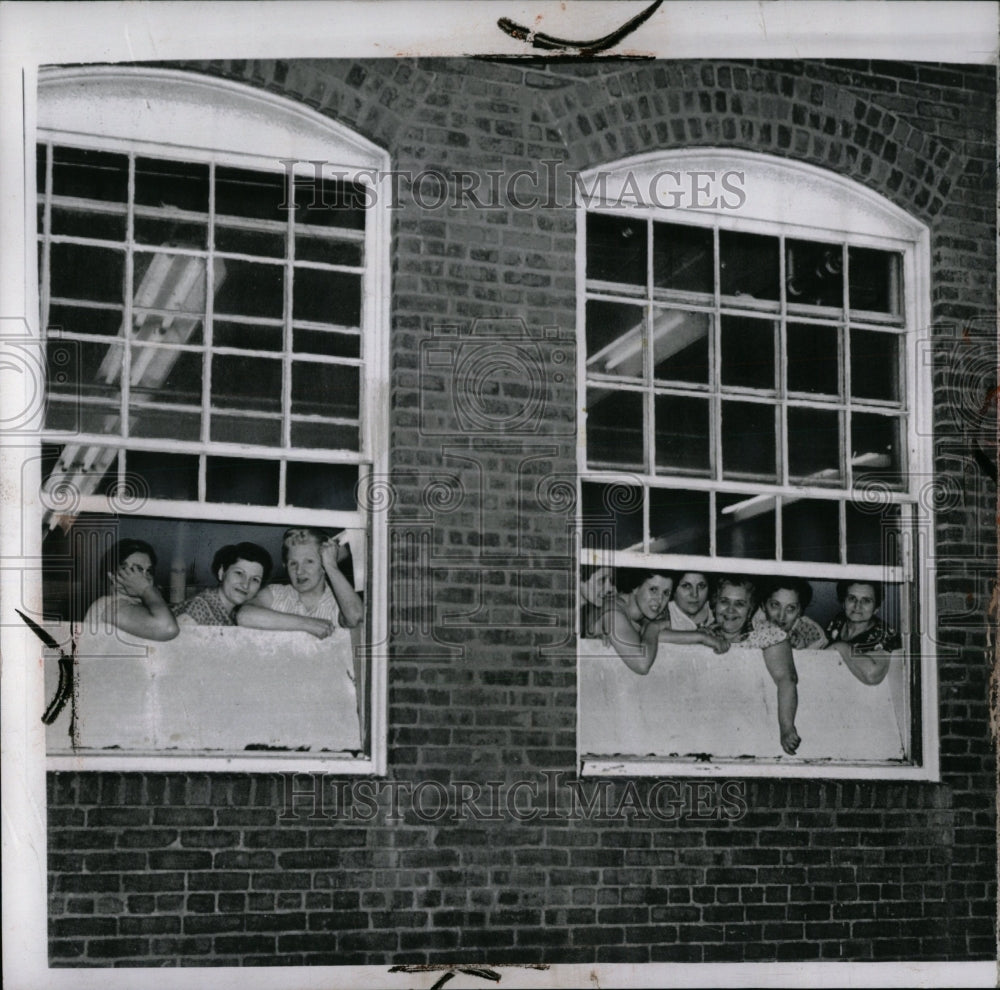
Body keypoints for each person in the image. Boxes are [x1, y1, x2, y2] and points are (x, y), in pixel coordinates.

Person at [705, 574, 801, 756]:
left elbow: (786, 679)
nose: (730, 610)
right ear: (714, 604)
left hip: (753, 734)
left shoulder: (767, 635)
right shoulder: (703, 633)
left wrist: (787, 728)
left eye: (740, 604)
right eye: (724, 601)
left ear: (750, 610)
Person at [235, 528, 363, 638]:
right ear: (285, 566)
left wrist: (331, 566)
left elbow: (356, 617)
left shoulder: (339, 601)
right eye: (293, 563)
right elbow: (243, 616)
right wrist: (308, 624)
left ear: (323, 565)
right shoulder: (276, 594)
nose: (299, 571)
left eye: (309, 561)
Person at [599, 569, 729, 676]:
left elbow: (655, 636)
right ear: (635, 587)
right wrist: (653, 627)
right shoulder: (612, 609)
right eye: (653, 590)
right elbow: (642, 664)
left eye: (666, 593)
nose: (660, 600)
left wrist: (702, 636)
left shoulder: (646, 611)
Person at [85, 539, 179, 641]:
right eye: (136, 569)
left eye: (149, 571)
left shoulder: (132, 605)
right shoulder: (110, 605)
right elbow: (168, 628)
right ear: (112, 575)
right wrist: (145, 589)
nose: (144, 577)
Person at [173, 542, 273, 627]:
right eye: (239, 573)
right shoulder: (199, 607)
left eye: (255, 579)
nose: (245, 585)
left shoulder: (233, 615)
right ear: (221, 572)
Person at [824, 580, 900, 685]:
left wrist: (841, 647)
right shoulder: (838, 621)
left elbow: (873, 675)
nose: (857, 606)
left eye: (866, 601)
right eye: (852, 598)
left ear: (876, 608)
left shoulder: (885, 634)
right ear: (843, 602)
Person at [752, 577, 827, 650]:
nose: (781, 616)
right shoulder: (752, 620)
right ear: (763, 605)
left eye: (790, 608)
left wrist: (803, 651)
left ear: (800, 611)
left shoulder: (812, 634)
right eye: (775, 605)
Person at [579, 565, 615, 638]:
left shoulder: (588, 614)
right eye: (602, 580)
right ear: (579, 579)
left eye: (611, 581)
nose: (609, 589)